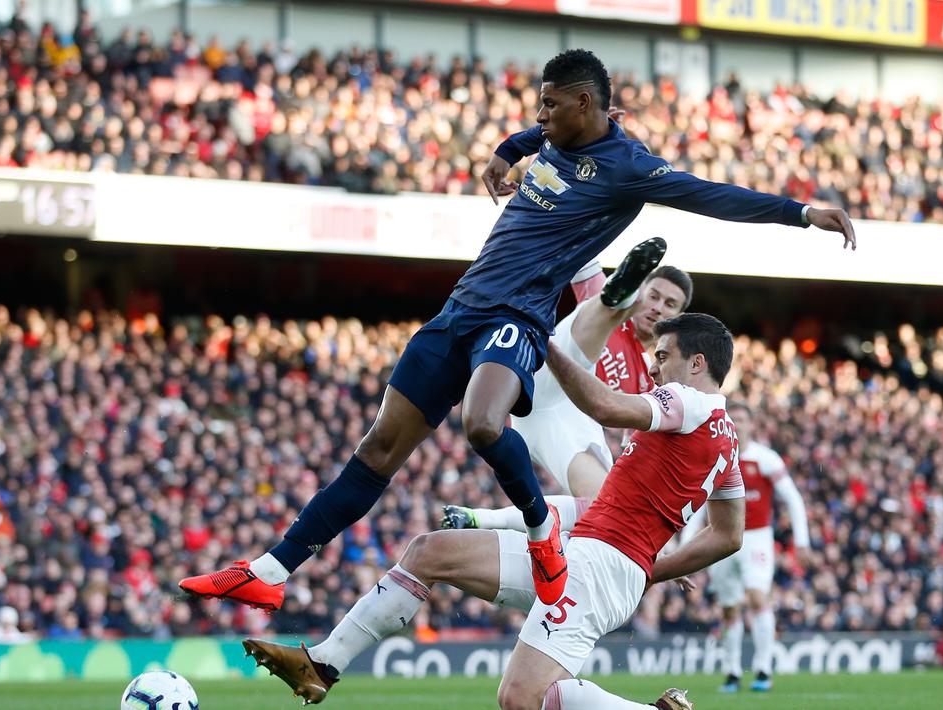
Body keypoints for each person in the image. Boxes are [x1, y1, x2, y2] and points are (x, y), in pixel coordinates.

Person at [180, 47, 854, 611]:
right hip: (460, 309)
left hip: (519, 316)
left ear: (585, 104)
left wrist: (801, 213)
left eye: (550, 105)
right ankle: (270, 571)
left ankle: (540, 533)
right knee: (379, 447)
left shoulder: (628, 167)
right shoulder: (555, 139)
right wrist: (503, 156)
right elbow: (524, 141)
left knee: (481, 424)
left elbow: (715, 196)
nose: (539, 116)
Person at [242, 312, 746, 710]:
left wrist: (545, 344)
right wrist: (651, 571)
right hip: (591, 557)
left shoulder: (688, 402)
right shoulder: (729, 445)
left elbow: (606, 407)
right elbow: (728, 535)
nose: (654, 368)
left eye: (663, 356)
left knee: (520, 698)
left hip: (599, 567)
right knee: (430, 552)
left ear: (697, 364)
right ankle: (324, 664)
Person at [442, 244, 693, 533]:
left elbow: (635, 449)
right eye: (654, 296)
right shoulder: (600, 296)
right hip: (546, 371)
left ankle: (480, 520)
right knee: (600, 309)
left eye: (669, 304)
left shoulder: (647, 379)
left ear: (677, 319)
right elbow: (577, 242)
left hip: (561, 422)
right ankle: (617, 297)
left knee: (608, 504)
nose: (658, 307)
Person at [691, 402, 809, 693]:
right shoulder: (716, 456)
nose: (739, 424)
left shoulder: (765, 458)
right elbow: (698, 503)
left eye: (744, 419)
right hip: (721, 538)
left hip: (756, 537)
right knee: (729, 609)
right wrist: (686, 544)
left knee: (757, 597)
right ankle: (732, 672)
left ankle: (763, 669)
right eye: (735, 419)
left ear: (752, 424)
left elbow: (793, 498)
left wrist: (802, 541)